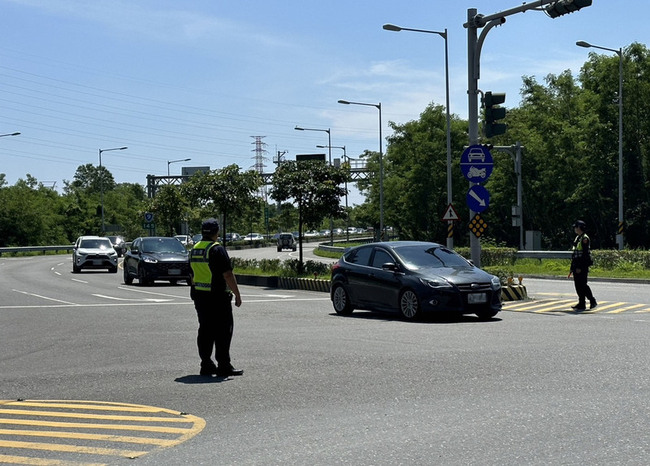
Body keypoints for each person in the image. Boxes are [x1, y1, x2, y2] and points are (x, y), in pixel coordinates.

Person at [190, 218, 244, 377]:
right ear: (216, 232)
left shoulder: (194, 249)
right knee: (223, 331)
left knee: (205, 330)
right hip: (217, 297)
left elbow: (191, 274)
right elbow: (227, 274)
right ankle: (223, 365)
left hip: (199, 296)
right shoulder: (216, 249)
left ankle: (206, 364)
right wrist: (237, 294)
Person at [570, 220, 597, 311]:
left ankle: (592, 300)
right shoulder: (578, 238)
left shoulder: (585, 239)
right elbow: (575, 254)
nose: (575, 229)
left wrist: (579, 267)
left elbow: (585, 255)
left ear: (580, 228)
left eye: (576, 227)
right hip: (576, 264)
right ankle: (581, 303)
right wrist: (572, 267)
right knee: (577, 285)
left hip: (582, 265)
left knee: (583, 285)